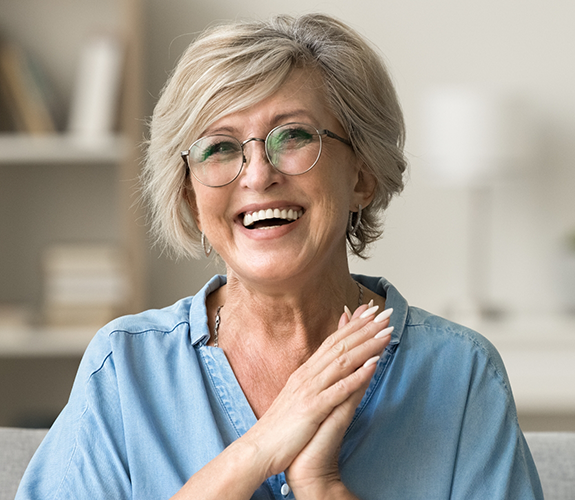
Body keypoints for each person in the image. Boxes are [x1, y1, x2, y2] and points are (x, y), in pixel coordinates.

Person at [17, 13, 543, 500]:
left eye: (292, 136)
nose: (257, 174)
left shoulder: (460, 375)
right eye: (219, 147)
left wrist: (322, 486)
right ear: (190, 198)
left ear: (361, 175)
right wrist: (256, 451)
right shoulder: (125, 369)